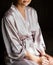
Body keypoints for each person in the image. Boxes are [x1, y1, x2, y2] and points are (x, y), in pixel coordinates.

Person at [1, 0, 53, 65]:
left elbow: (38, 37)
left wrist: (44, 55)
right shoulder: (8, 17)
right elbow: (14, 47)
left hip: (35, 51)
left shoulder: (32, 12)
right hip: (18, 57)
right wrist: (37, 60)